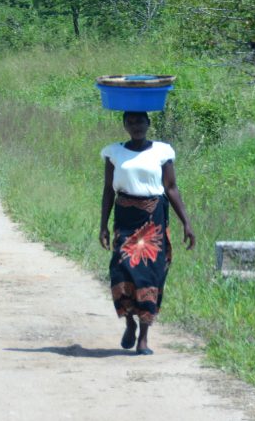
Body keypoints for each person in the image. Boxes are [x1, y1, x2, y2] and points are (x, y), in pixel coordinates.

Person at [99, 110, 195, 355]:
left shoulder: (162, 151)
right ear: (124, 125)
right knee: (120, 271)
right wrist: (103, 226)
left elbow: (171, 188)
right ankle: (129, 322)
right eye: (130, 122)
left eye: (140, 121)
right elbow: (108, 191)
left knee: (149, 276)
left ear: (148, 123)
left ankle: (143, 337)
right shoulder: (114, 152)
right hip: (125, 218)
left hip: (153, 220)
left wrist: (186, 223)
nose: (136, 126)